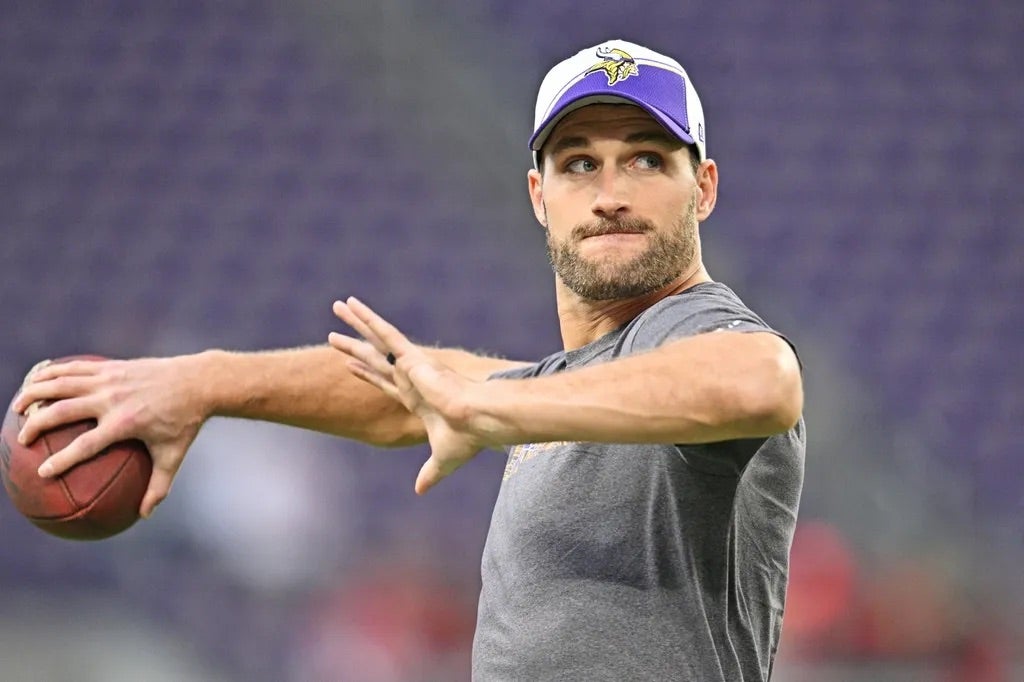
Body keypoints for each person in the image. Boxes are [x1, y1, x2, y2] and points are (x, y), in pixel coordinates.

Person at [14, 39, 805, 681]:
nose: (610, 192)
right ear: (538, 194)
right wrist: (198, 381)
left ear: (701, 188)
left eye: (645, 159)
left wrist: (487, 410)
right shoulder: (566, 390)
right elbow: (408, 391)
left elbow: (759, 378)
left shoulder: (700, 330)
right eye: (578, 164)